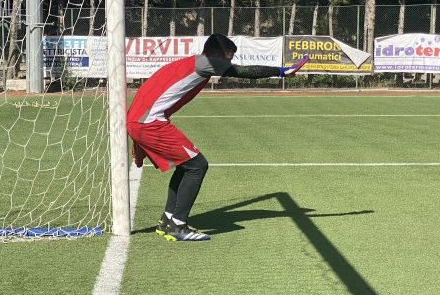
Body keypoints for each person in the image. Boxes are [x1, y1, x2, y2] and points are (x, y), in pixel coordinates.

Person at [126, 33, 308, 241]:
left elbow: (147, 94)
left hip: (142, 121)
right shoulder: (205, 63)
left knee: (187, 165)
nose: (228, 64)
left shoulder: (192, 63)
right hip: (149, 123)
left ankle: (169, 220)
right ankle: (177, 225)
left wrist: (135, 132)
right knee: (197, 166)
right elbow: (241, 71)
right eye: (227, 58)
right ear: (215, 55)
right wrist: (283, 71)